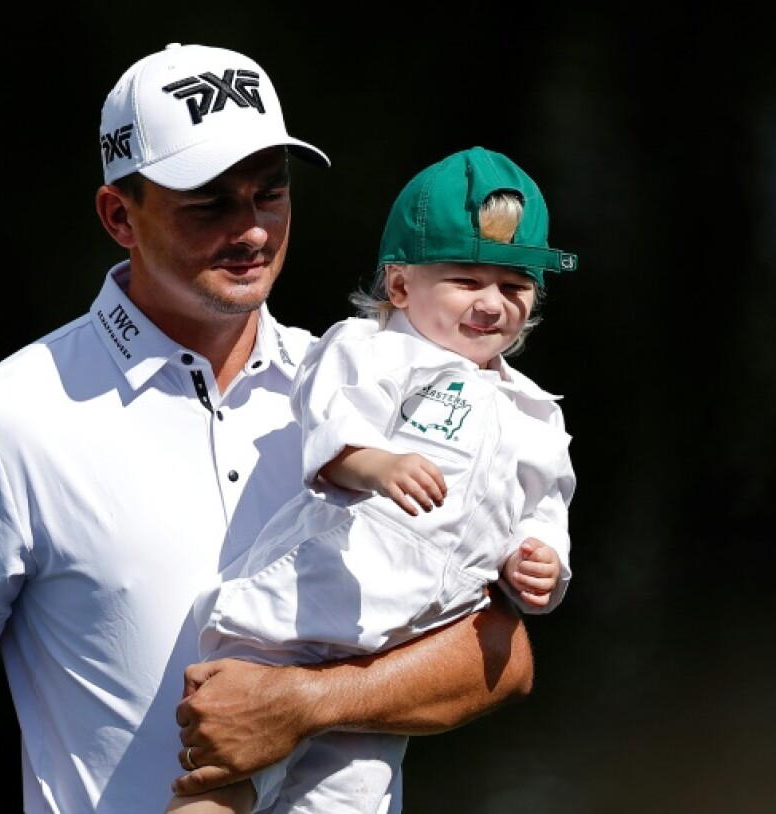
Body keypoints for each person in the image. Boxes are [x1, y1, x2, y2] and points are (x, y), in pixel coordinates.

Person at [0, 45, 535, 814]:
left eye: (269, 196)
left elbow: (501, 656)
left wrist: (307, 703)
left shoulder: (373, 391)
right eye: (208, 203)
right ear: (119, 215)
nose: (249, 231)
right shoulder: (7, 422)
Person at [167, 146, 578, 814]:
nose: (493, 303)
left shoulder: (535, 411)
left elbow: (544, 509)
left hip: (394, 657)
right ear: (400, 286)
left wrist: (541, 563)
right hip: (299, 622)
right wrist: (374, 464)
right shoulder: (373, 349)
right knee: (225, 788)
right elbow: (329, 426)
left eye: (515, 285)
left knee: (349, 799)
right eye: (467, 280)